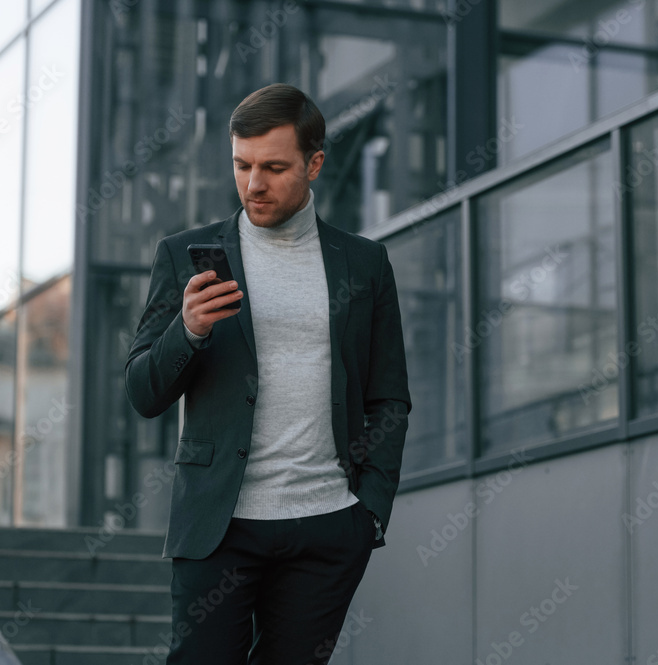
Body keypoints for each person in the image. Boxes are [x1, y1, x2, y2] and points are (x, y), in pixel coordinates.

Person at [125, 83, 412, 664]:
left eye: (275, 167)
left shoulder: (364, 263)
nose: (254, 184)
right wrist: (188, 332)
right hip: (218, 528)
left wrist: (369, 509)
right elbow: (142, 392)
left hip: (327, 525)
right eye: (242, 165)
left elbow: (389, 397)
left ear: (315, 163)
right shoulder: (186, 254)